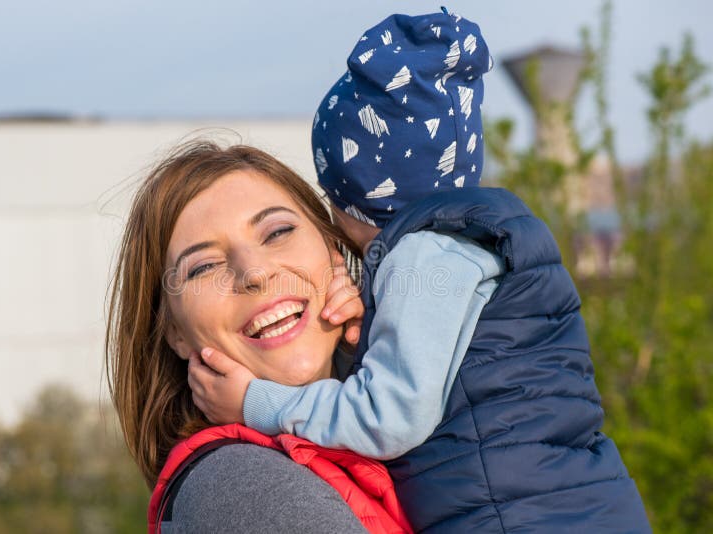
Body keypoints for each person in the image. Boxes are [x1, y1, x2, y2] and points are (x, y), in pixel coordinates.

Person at [189, 9, 652, 533]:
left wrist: (257, 403)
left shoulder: (422, 258)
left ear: (361, 197)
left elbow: (389, 418)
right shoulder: (474, 244)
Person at [105, 139, 411, 533]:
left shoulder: (409, 418)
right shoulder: (238, 483)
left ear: (334, 252)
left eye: (277, 232)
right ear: (175, 333)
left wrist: (376, 344)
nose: (254, 272)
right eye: (203, 267)